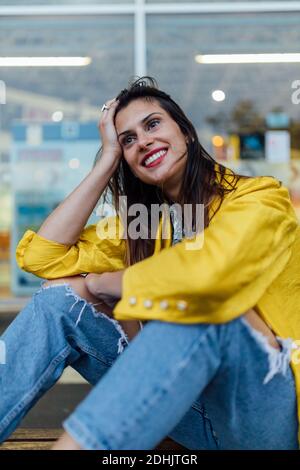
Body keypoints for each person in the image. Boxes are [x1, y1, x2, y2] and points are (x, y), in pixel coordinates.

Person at [0, 76, 300, 450]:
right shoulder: (147, 226)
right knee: (59, 298)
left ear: (186, 132)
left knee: (208, 304)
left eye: (153, 124)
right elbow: (42, 256)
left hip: (263, 416)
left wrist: (108, 283)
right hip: (196, 418)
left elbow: (213, 274)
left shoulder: (259, 199)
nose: (143, 141)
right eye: (127, 139)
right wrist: (106, 162)